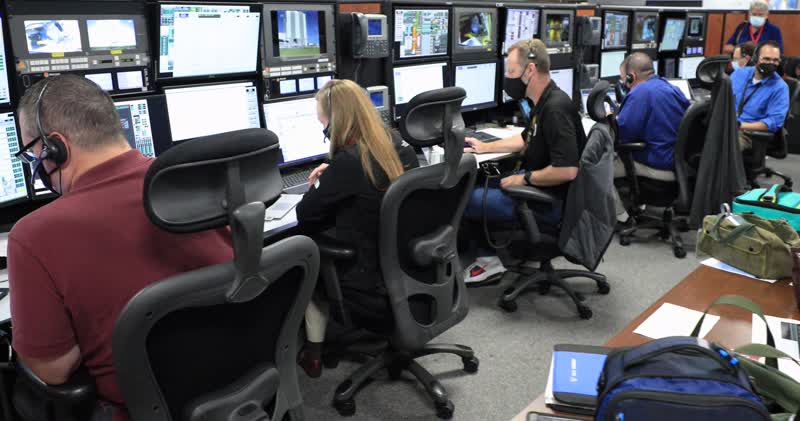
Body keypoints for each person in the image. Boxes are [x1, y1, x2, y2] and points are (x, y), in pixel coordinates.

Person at [8, 75, 233, 421]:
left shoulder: (33, 235)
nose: (36, 166)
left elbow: (52, 371)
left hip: (141, 410)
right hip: (237, 384)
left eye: (33, 154)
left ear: (56, 147)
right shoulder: (194, 184)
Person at [295, 79, 408, 377]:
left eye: (324, 125)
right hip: (409, 273)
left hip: (368, 285)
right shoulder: (397, 145)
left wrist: (318, 184)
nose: (325, 131)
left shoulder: (349, 163)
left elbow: (305, 215)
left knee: (304, 255)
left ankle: (313, 354)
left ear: (337, 123)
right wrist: (333, 173)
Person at [461, 38, 583, 283]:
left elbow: (568, 170)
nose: (508, 78)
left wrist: (524, 178)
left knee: (468, 198)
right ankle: (494, 253)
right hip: (546, 189)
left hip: (551, 202)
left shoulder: (555, 109)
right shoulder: (545, 100)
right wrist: (485, 147)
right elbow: (526, 139)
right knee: (484, 180)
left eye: (511, 71)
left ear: (530, 70)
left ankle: (488, 262)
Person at [615, 52, 690, 176]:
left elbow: (622, 136)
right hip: (680, 161)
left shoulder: (639, 92)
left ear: (631, 76)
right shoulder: (672, 88)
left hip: (659, 162)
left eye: (624, 80)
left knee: (601, 169)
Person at [731, 40, 790, 151]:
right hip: (727, 124)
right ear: (755, 59)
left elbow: (774, 122)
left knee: (726, 143)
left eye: (775, 60)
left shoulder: (780, 88)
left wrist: (740, 125)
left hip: (748, 134)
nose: (771, 63)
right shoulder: (739, 74)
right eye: (766, 59)